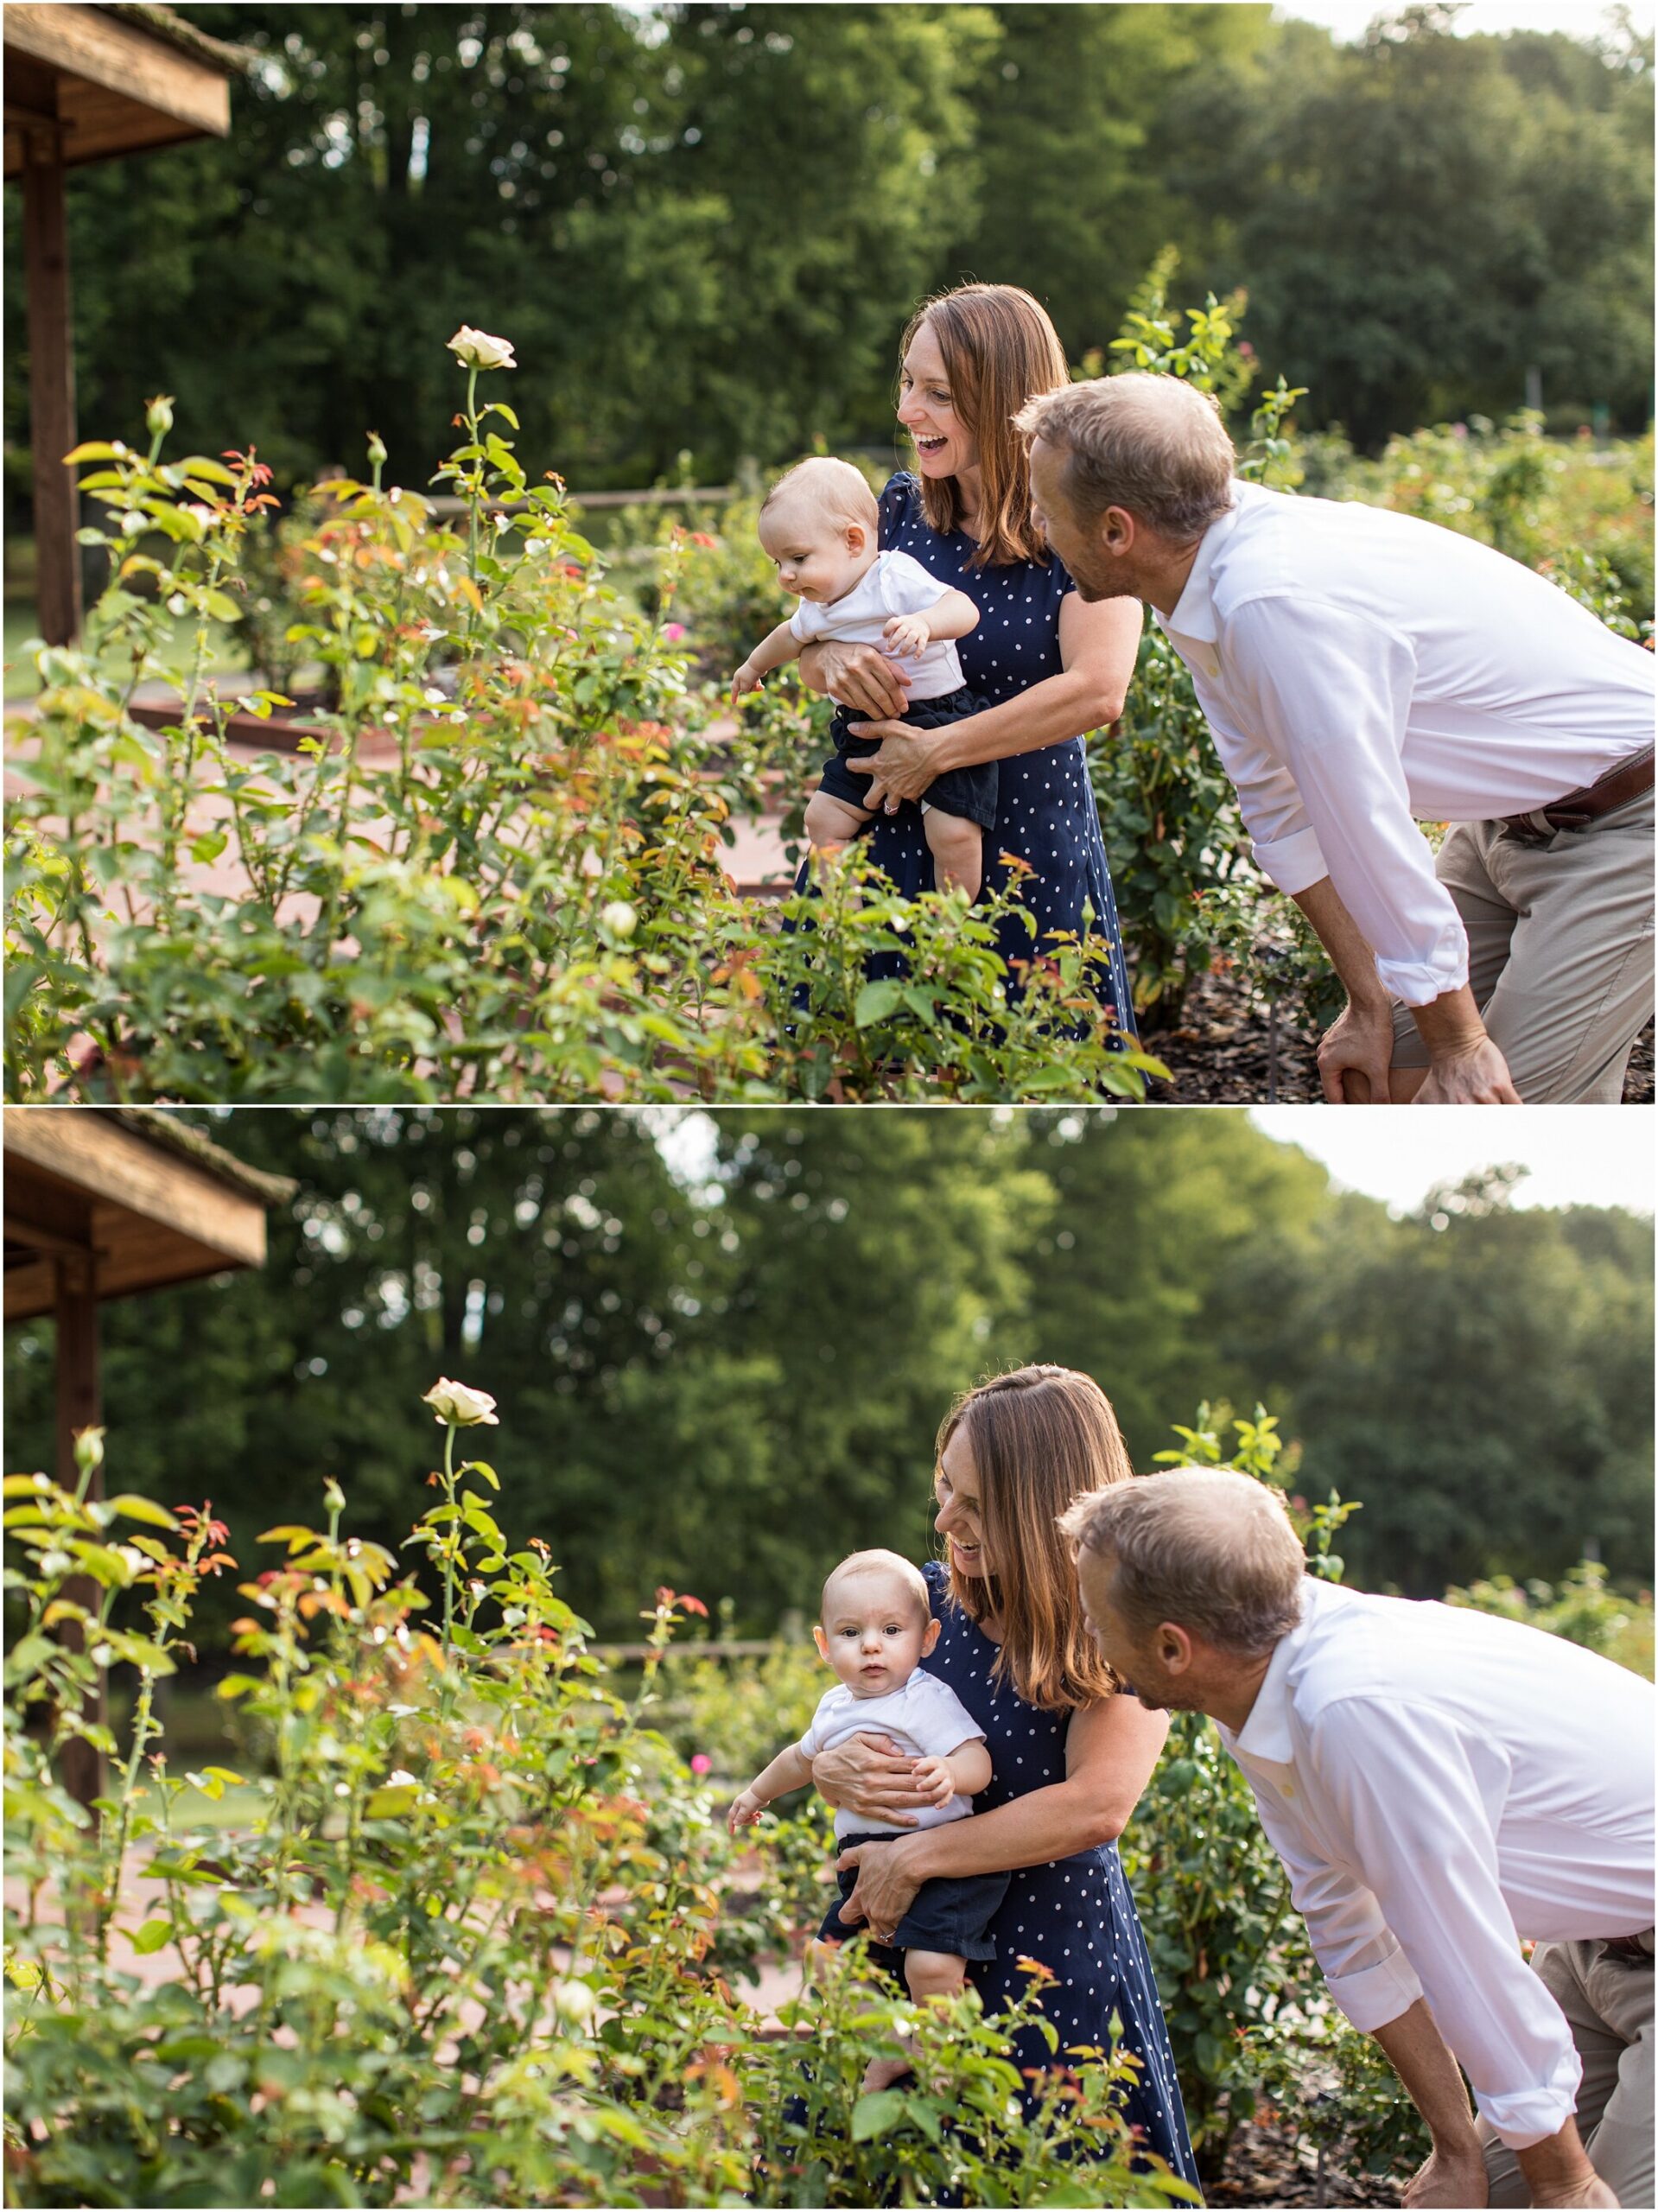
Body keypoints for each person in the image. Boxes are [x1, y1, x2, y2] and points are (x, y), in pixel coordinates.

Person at [1013, 372, 1656, 1104]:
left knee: (1491, 1112)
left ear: (1117, 531)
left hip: (1629, 818)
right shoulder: (1196, 575)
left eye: (1045, 511)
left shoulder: (1271, 603)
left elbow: (1367, 829)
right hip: (1504, 827)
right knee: (1382, 1081)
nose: (1039, 529)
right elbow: (1277, 807)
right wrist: (1368, 1000)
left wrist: (1460, 1043)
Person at [1064, 1467, 1655, 2209]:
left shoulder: (1353, 1710)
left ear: (1175, 1647)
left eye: (1094, 1616)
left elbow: (1465, 1958)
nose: (1087, 1632)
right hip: (1593, 1951)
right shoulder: (1254, 1683)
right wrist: (1454, 2149)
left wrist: (1565, 2185)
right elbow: (1344, 1925)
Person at [813, 1367, 1200, 2193]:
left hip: (1046, 1956)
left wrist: (913, 1861)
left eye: (976, 1503)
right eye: (944, 1488)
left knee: (1038, 2168)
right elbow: (851, 1725)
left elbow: (1097, 1805)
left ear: (1044, 1503)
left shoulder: (1118, 1624)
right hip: (910, 1948)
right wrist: (829, 1768)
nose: (946, 1518)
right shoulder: (923, 1606)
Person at [793, 285, 1143, 1032]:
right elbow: (810, 641)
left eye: (939, 393)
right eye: (907, 382)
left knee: (1018, 1060)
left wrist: (935, 751)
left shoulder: (1084, 522)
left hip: (1023, 844)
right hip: (887, 827)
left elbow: (1097, 690)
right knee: (863, 1066)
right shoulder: (893, 512)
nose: (906, 410)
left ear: (1007, 399)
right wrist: (833, 664)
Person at [727, 1547, 1007, 2093]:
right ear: (824, 1645)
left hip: (944, 1863)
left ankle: (940, 2049)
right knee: (826, 1962)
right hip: (860, 1868)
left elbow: (979, 1760)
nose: (872, 1645)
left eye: (892, 1630)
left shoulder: (926, 1699)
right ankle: (889, 2044)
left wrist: (951, 1772)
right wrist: (754, 1793)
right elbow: (799, 1760)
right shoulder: (833, 1707)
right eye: (851, 1633)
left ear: (926, 1640)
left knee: (930, 1967)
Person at [731, 458, 994, 899]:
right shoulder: (818, 604)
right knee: (822, 820)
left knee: (953, 834)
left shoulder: (892, 576)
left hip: (941, 720)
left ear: (853, 541)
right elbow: (788, 638)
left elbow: (964, 610)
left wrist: (925, 624)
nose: (786, 577)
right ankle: (844, 908)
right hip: (864, 729)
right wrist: (752, 667)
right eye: (777, 563)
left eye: (797, 558)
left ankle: (949, 927)